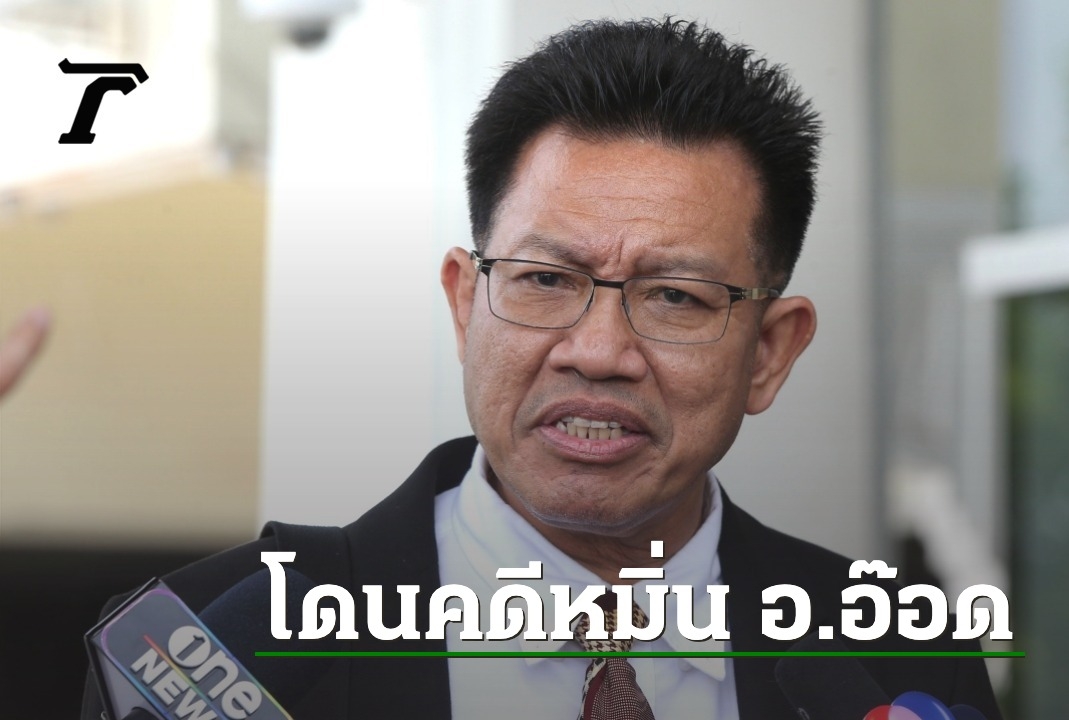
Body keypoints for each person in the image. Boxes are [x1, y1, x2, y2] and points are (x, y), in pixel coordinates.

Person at [82, 18, 1001, 719]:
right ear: (463, 303)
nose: (597, 352)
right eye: (547, 280)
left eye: (675, 297)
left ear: (769, 352)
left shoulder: (902, 657)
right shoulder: (210, 649)